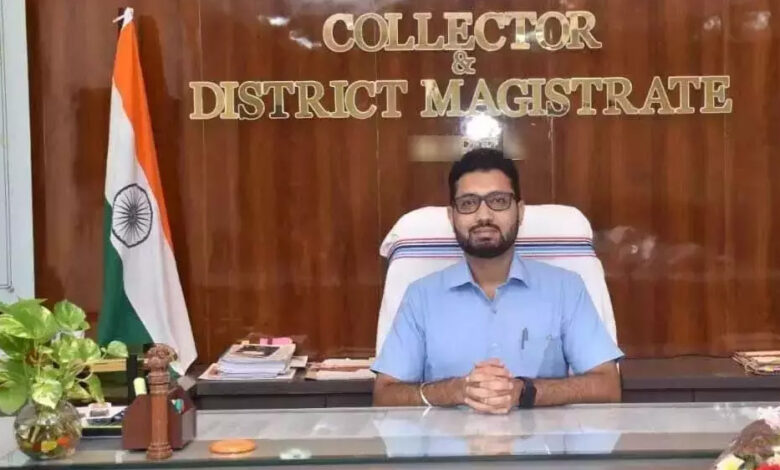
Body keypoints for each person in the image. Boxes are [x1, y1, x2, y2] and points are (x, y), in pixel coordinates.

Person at [372, 148, 623, 413]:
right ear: (451, 215)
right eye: (468, 203)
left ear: (520, 211)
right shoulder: (420, 296)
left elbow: (607, 386)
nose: (484, 216)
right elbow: (385, 395)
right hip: (447, 441)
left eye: (499, 201)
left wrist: (524, 391)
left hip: (541, 440)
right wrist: (455, 391)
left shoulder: (566, 288)